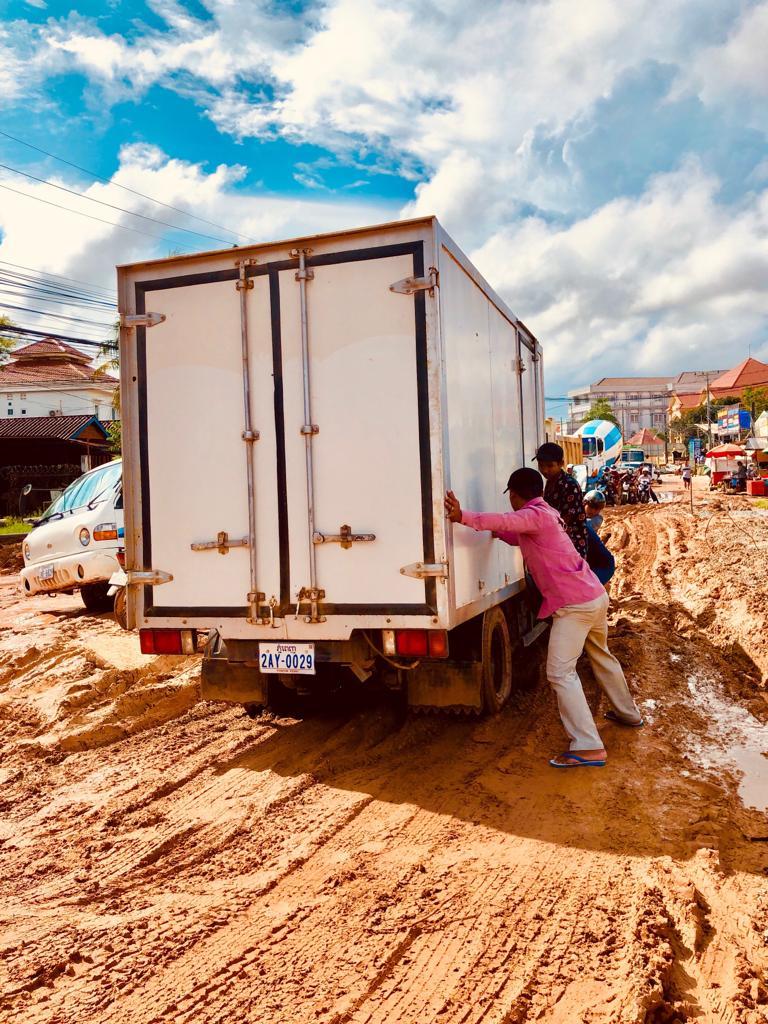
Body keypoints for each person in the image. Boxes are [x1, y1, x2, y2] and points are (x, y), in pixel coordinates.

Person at [444, 468, 643, 768]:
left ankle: (588, 746)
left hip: (575, 604)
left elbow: (506, 521)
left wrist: (464, 517)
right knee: (601, 655)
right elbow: (517, 534)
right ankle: (628, 714)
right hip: (593, 595)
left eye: (510, 495)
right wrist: (494, 532)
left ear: (514, 494)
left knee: (560, 673)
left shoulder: (532, 515)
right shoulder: (546, 513)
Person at [534, 442, 588, 559]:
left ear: (561, 464)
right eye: (541, 466)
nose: (545, 470)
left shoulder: (569, 484)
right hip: (556, 541)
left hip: (570, 543)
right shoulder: (550, 481)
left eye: (549, 466)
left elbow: (565, 518)